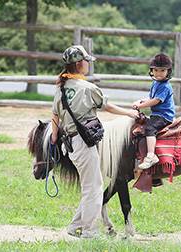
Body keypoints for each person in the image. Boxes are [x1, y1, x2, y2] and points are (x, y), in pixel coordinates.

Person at [50, 45, 138, 238]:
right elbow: (108, 106)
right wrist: (129, 112)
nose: (88, 64)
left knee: (92, 186)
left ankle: (75, 226)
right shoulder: (88, 88)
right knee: (94, 190)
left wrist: (54, 138)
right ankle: (90, 233)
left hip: (70, 145)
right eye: (86, 61)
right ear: (79, 64)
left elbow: (55, 117)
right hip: (84, 144)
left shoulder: (61, 88)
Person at [132, 53, 175, 169]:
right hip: (157, 114)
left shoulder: (165, 86)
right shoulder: (156, 83)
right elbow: (150, 98)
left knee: (150, 128)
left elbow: (155, 101)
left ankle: (151, 155)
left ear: (168, 72)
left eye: (162, 70)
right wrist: (140, 101)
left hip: (164, 115)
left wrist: (142, 106)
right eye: (155, 70)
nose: (158, 73)